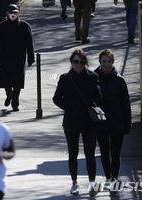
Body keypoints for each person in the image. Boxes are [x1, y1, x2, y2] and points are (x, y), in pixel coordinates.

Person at [52, 49, 103, 197]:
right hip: (71, 121)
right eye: (75, 61)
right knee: (73, 154)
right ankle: (74, 183)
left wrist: (91, 105)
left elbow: (99, 96)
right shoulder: (65, 78)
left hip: (88, 120)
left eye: (81, 61)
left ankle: (92, 183)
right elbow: (57, 98)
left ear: (85, 62)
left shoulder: (93, 77)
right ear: (71, 62)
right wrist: (70, 107)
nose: (78, 64)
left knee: (90, 154)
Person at [94, 49, 131, 194]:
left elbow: (125, 104)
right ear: (100, 62)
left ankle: (114, 178)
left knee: (115, 153)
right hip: (101, 123)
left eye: (109, 61)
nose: (106, 64)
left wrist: (127, 125)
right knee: (104, 153)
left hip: (117, 123)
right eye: (104, 62)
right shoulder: (94, 79)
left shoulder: (120, 81)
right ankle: (108, 178)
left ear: (113, 62)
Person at [0, 4, 35, 111]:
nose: (13, 15)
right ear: (7, 14)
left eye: (15, 13)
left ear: (18, 14)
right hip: (5, 57)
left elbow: (29, 43)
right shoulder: (2, 26)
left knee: (17, 80)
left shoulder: (24, 26)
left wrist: (31, 57)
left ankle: (15, 100)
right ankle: (9, 95)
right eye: (10, 13)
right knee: (5, 79)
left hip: (19, 57)